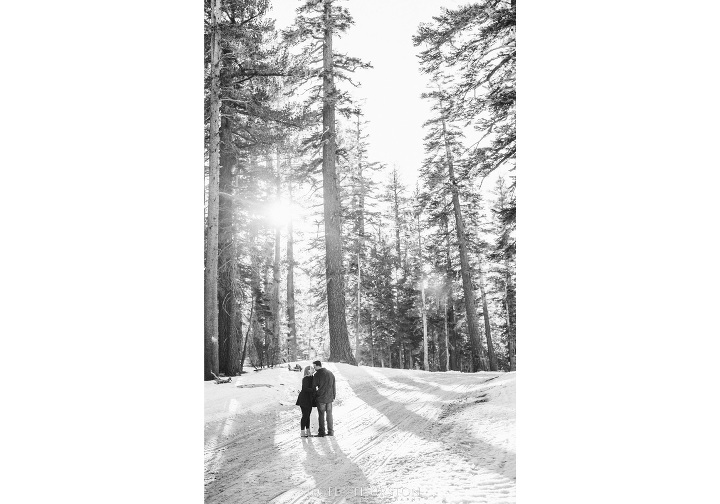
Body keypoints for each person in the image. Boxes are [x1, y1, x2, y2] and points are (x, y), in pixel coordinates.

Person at [311, 360, 336, 437]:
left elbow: (313, 387)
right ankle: (331, 431)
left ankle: (322, 432)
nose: (314, 368)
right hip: (329, 397)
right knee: (329, 414)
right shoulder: (330, 373)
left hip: (321, 398)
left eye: (314, 366)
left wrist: (315, 396)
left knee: (321, 415)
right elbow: (333, 386)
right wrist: (333, 395)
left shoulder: (317, 375)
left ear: (318, 365)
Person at [295, 366, 316, 438]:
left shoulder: (312, 377)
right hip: (304, 399)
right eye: (311, 369)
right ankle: (302, 432)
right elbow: (305, 389)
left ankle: (308, 431)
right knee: (305, 415)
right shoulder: (305, 378)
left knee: (308, 416)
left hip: (309, 399)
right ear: (308, 370)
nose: (313, 369)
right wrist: (314, 390)